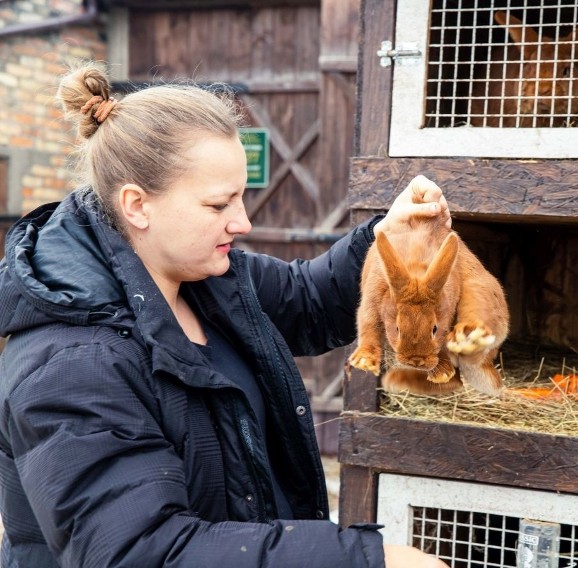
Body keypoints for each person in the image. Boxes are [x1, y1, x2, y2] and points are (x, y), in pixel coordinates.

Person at [0, 63, 451, 568]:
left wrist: (384, 238)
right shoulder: (70, 365)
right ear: (136, 205)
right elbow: (143, 553)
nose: (243, 221)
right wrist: (363, 561)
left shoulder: (207, 277)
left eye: (240, 196)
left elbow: (310, 300)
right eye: (219, 204)